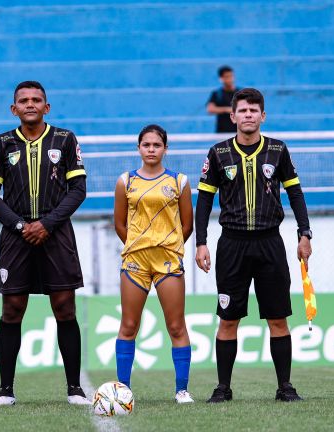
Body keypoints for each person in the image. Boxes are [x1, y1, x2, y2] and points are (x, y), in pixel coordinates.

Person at [195, 88, 312, 403]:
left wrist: (305, 233)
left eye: (254, 111)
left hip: (269, 243)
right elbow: (204, 200)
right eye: (242, 111)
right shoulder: (218, 153)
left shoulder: (278, 150)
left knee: (277, 317)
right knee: (228, 318)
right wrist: (201, 242)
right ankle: (223, 388)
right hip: (232, 245)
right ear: (232, 116)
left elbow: (296, 193)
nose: (248, 115)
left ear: (263, 116)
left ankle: (285, 387)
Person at [0, 80, 90, 406]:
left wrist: (47, 223)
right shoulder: (1, 143)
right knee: (12, 308)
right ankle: (5, 390)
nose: (30, 104)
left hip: (56, 233)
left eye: (37, 100)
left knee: (64, 306)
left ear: (47, 107)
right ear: (14, 109)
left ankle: (75, 389)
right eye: (24, 101)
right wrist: (20, 225)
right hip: (16, 236)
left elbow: (78, 190)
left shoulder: (65, 139)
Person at [113, 124, 195, 404]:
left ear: (165, 149)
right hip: (135, 261)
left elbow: (187, 224)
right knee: (128, 325)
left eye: (156, 145)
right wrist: (140, 243)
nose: (151, 149)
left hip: (168, 260)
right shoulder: (126, 181)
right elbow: (120, 223)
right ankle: (122, 389)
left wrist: (166, 244)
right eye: (146, 145)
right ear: (138, 148)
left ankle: (182, 390)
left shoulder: (179, 181)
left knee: (176, 326)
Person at [206, 65, 241, 133]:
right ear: (221, 78)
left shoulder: (241, 92)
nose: (230, 79)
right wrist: (227, 109)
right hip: (222, 133)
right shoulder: (217, 93)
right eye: (227, 77)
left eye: (231, 76)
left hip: (240, 132)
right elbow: (210, 109)